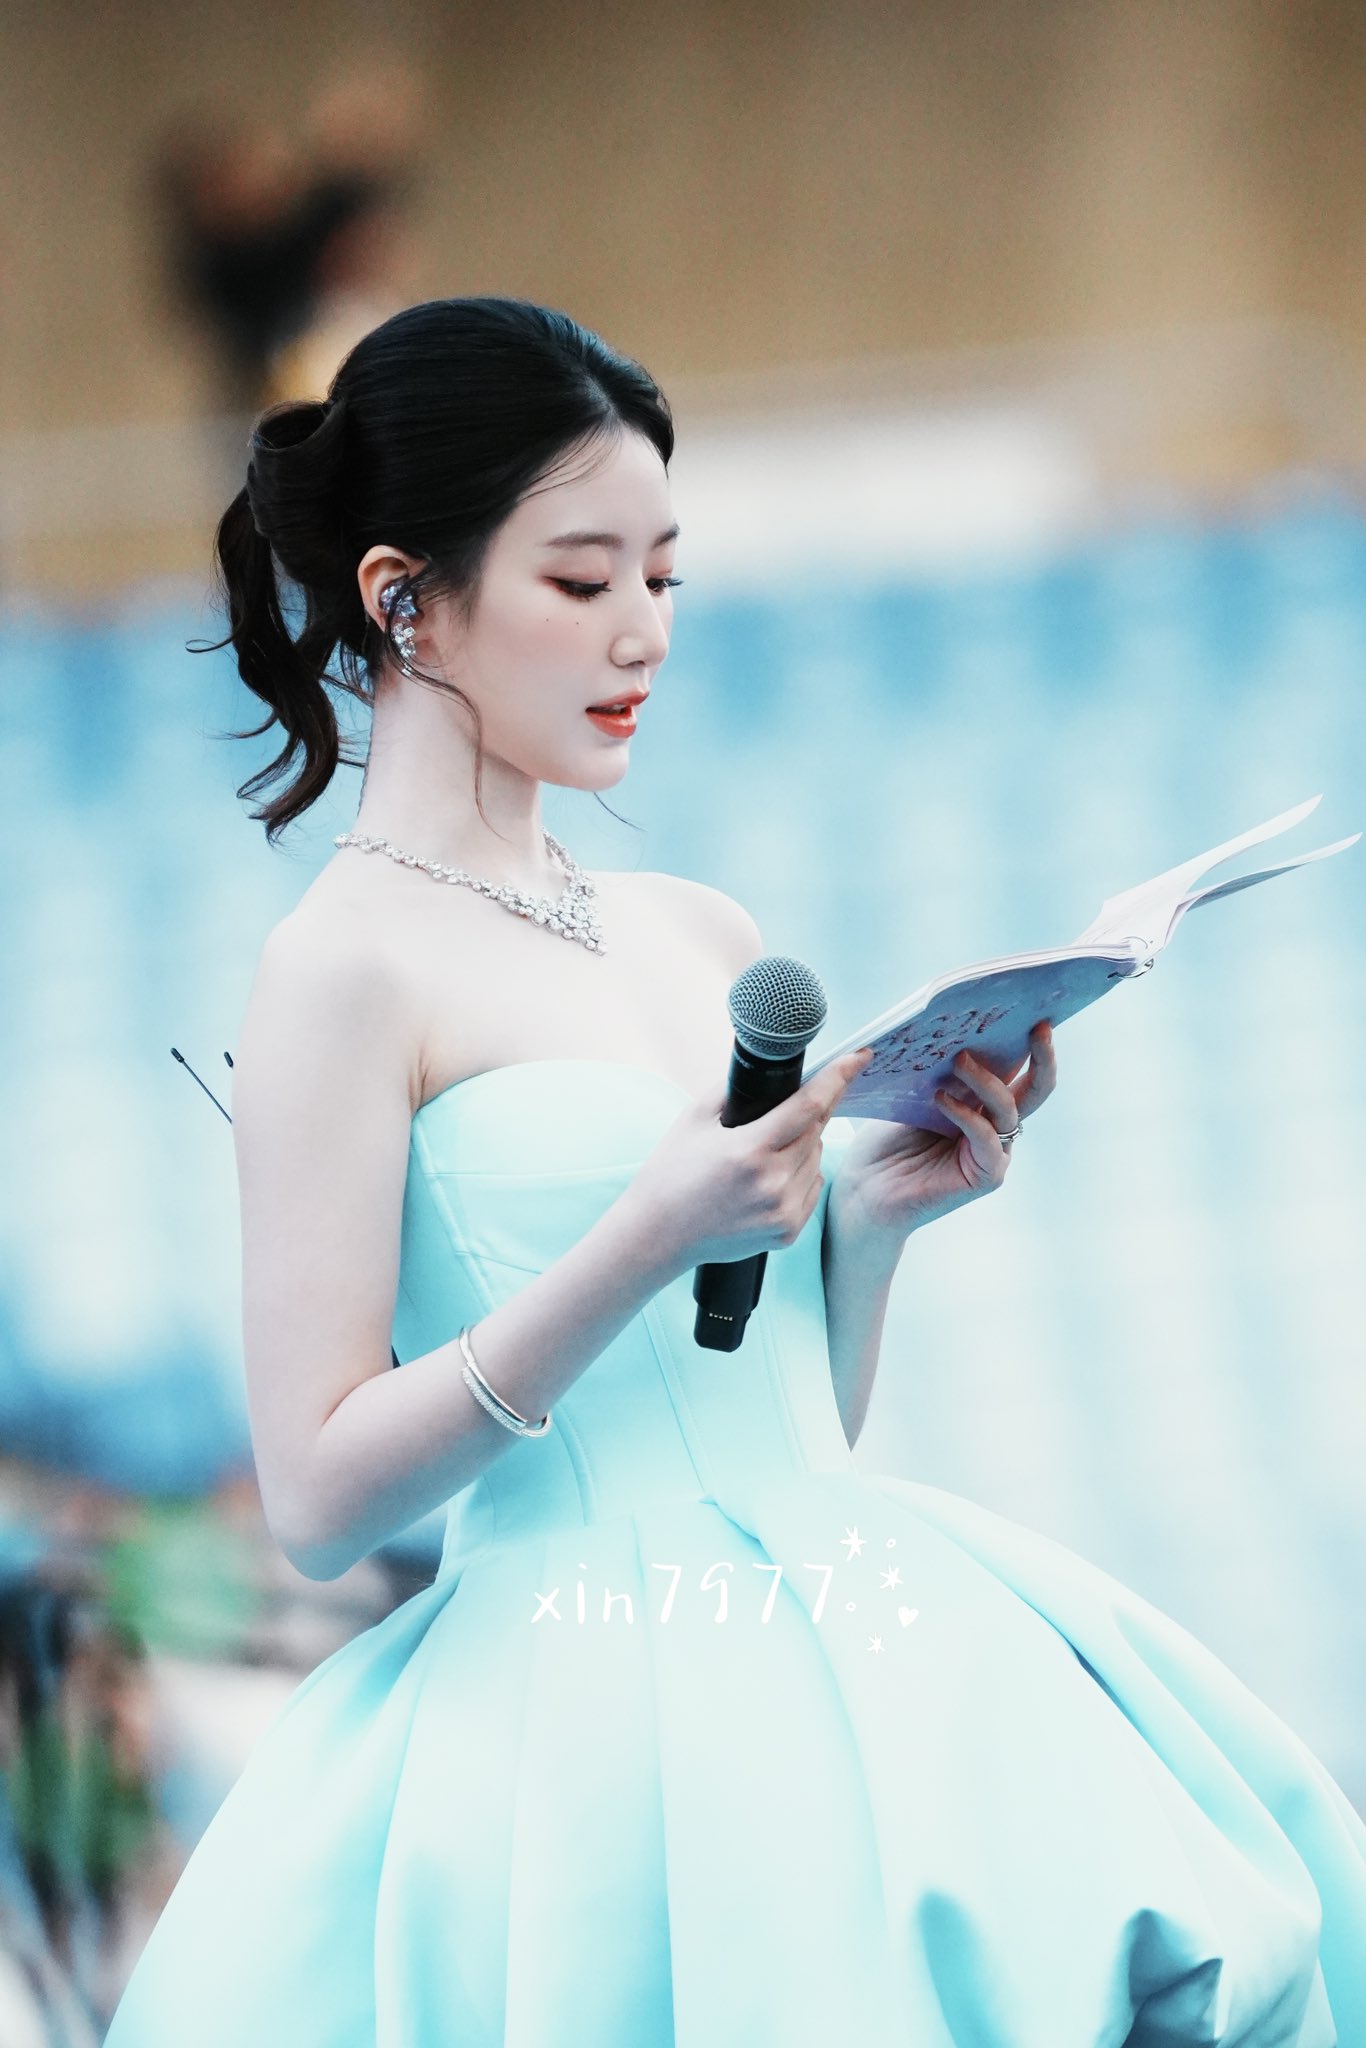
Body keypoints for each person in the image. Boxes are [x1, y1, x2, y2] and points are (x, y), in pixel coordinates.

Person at [103, 296, 1366, 2046]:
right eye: (580, 579)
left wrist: (873, 1225)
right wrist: (642, 1235)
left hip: (846, 1625)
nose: (642, 630)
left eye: (664, 575)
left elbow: (779, 1419)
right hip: (570, 1707)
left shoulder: (697, 932)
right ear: (404, 597)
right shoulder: (339, 970)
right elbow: (316, 1499)